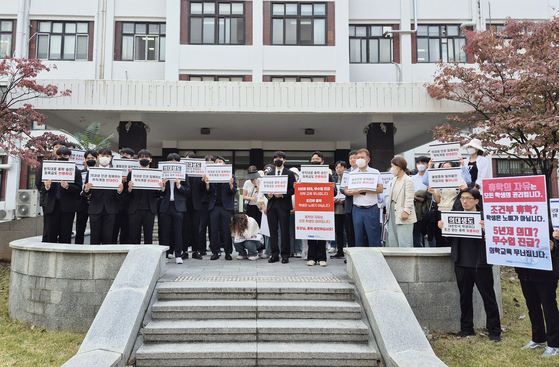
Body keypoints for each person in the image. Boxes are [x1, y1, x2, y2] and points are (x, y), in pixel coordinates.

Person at [438, 188, 501, 342]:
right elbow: (448, 240)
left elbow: (498, 238)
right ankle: (467, 328)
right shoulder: (454, 216)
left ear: (476, 201)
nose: (464, 201)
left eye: (468, 198)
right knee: (465, 297)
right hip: (462, 262)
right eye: (462, 198)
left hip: (481, 263)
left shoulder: (486, 218)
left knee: (489, 297)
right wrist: (444, 229)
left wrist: (489, 230)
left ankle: (494, 331)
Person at [516, 229, 559, 357]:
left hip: (546, 272)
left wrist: (554, 247)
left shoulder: (553, 217)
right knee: (533, 307)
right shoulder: (516, 218)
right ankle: (538, 339)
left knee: (549, 308)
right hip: (525, 271)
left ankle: (554, 344)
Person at [35, 146, 81, 243]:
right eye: (60, 155)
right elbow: (41, 188)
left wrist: (68, 186)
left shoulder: (75, 170)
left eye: (65, 155)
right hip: (52, 205)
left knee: (66, 233)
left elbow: (78, 188)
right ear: (56, 156)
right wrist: (47, 186)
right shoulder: (50, 169)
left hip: (68, 207)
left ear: (70, 156)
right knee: (50, 233)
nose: (62, 157)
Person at [84, 148, 124, 245]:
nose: (104, 158)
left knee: (108, 236)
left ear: (111, 158)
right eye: (102, 156)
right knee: (95, 236)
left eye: (107, 156)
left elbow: (119, 196)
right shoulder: (92, 172)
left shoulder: (116, 173)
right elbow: (86, 193)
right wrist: (86, 189)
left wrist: (119, 191)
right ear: (98, 158)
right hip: (95, 208)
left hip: (110, 208)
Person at [344, 149, 383, 247]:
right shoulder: (351, 174)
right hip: (357, 209)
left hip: (371, 208)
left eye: (362, 157)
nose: (359, 159)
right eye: (358, 158)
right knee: (358, 237)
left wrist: (365, 189)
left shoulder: (375, 172)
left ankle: (376, 260)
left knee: (373, 236)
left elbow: (380, 189)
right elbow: (346, 190)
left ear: (368, 160)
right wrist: (353, 192)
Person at [203, 156, 237, 260]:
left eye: (220, 162)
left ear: (224, 164)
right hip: (214, 206)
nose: (218, 163)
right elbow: (207, 192)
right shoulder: (210, 175)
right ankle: (215, 251)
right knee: (214, 230)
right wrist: (207, 184)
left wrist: (231, 184)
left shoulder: (231, 176)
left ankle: (228, 252)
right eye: (216, 162)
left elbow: (234, 191)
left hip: (226, 207)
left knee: (227, 230)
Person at [306, 151, 336, 267]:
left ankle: (322, 258)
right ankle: (311, 257)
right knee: (311, 233)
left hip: (323, 208)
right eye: (313, 159)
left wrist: (333, 188)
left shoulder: (328, 176)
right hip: (309, 207)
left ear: (322, 162)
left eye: (317, 160)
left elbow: (334, 193)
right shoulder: (305, 175)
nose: (315, 161)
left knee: (322, 234)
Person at [265, 151, 296, 264]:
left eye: (280, 158)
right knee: (273, 231)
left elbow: (293, 189)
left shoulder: (289, 173)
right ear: (273, 160)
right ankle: (274, 255)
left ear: (284, 160)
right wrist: (268, 195)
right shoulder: (270, 174)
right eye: (276, 158)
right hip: (272, 204)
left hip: (284, 204)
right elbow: (265, 189)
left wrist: (282, 195)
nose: (278, 159)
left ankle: (285, 254)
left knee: (284, 230)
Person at [427, 161, 468, 248]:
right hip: (441, 211)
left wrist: (464, 190)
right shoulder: (439, 182)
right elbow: (438, 200)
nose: (445, 170)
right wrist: (433, 193)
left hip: (455, 211)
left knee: (454, 237)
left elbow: (466, 198)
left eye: (448, 168)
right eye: (443, 168)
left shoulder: (461, 181)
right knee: (441, 237)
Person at [159, 153, 190, 263]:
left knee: (178, 232)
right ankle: (166, 255)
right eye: (170, 162)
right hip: (166, 206)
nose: (172, 164)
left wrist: (179, 185)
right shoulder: (162, 174)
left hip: (179, 207)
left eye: (175, 162)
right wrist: (162, 186)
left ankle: (178, 254)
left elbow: (187, 191)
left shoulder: (183, 175)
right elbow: (159, 193)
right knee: (165, 232)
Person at [126, 149, 161, 245]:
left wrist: (160, 188)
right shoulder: (132, 174)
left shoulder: (156, 174)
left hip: (149, 209)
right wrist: (129, 188)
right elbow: (127, 193)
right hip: (135, 209)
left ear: (151, 160)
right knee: (133, 235)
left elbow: (158, 195)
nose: (144, 159)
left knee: (148, 236)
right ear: (138, 160)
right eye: (141, 157)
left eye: (146, 157)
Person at [36, 140, 67, 242]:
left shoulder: (71, 166)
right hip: (50, 202)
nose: (58, 149)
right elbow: (38, 183)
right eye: (56, 147)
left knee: (65, 232)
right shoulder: (46, 164)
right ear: (53, 150)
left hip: (66, 203)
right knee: (49, 231)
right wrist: (46, 187)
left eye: (61, 147)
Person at [385, 157, 416, 247]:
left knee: (404, 239)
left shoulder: (408, 180)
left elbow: (409, 198)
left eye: (393, 166)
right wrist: (387, 211)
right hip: (392, 209)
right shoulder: (394, 179)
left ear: (399, 167)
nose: (391, 169)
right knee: (392, 238)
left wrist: (406, 211)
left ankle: (407, 260)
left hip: (403, 209)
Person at [181, 152, 205, 260]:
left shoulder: (200, 173)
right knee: (184, 227)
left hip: (196, 204)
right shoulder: (181, 173)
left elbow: (203, 190)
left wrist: (204, 182)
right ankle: (184, 251)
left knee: (196, 227)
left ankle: (196, 251)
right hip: (184, 203)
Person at [112, 147, 134, 244]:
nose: (124, 156)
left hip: (129, 206)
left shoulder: (135, 171)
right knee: (114, 230)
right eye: (122, 155)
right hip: (116, 205)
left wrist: (128, 182)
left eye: (127, 155)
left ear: (132, 158)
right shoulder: (114, 169)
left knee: (127, 230)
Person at [75, 150, 97, 244]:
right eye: (88, 158)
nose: (90, 160)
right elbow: (78, 186)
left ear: (97, 159)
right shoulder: (80, 173)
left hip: (96, 204)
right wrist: (84, 193)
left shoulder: (102, 173)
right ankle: (77, 248)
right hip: (82, 204)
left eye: (92, 158)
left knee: (95, 229)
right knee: (80, 229)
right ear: (84, 160)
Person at [340, 151, 358, 248]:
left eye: (354, 158)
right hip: (350, 205)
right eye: (350, 158)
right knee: (350, 231)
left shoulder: (364, 172)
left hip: (362, 205)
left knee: (360, 231)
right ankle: (350, 253)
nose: (352, 160)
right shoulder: (346, 173)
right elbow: (342, 189)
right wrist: (351, 192)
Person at [331, 160, 348, 259]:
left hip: (345, 208)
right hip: (336, 209)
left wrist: (343, 201)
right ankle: (340, 250)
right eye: (337, 168)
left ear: (345, 169)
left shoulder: (348, 179)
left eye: (341, 167)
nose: (338, 169)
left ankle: (347, 250)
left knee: (348, 231)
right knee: (338, 231)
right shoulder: (334, 179)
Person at [198, 155, 215, 255]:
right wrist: (202, 181)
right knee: (202, 227)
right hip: (203, 203)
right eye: (207, 161)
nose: (209, 163)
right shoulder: (200, 173)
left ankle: (214, 248)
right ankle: (201, 249)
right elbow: (199, 189)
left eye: (211, 161)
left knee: (213, 227)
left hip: (213, 203)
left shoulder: (215, 173)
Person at [412, 156, 429, 247]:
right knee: (416, 230)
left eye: (423, 163)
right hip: (415, 208)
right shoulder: (412, 178)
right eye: (418, 163)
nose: (420, 165)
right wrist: (417, 197)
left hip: (428, 206)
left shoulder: (430, 177)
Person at [289, 167, 303, 258]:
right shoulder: (287, 186)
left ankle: (298, 250)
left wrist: (297, 208)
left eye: (295, 174)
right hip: (289, 211)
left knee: (298, 231)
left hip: (299, 211)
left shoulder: (301, 185)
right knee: (289, 232)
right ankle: (290, 250)